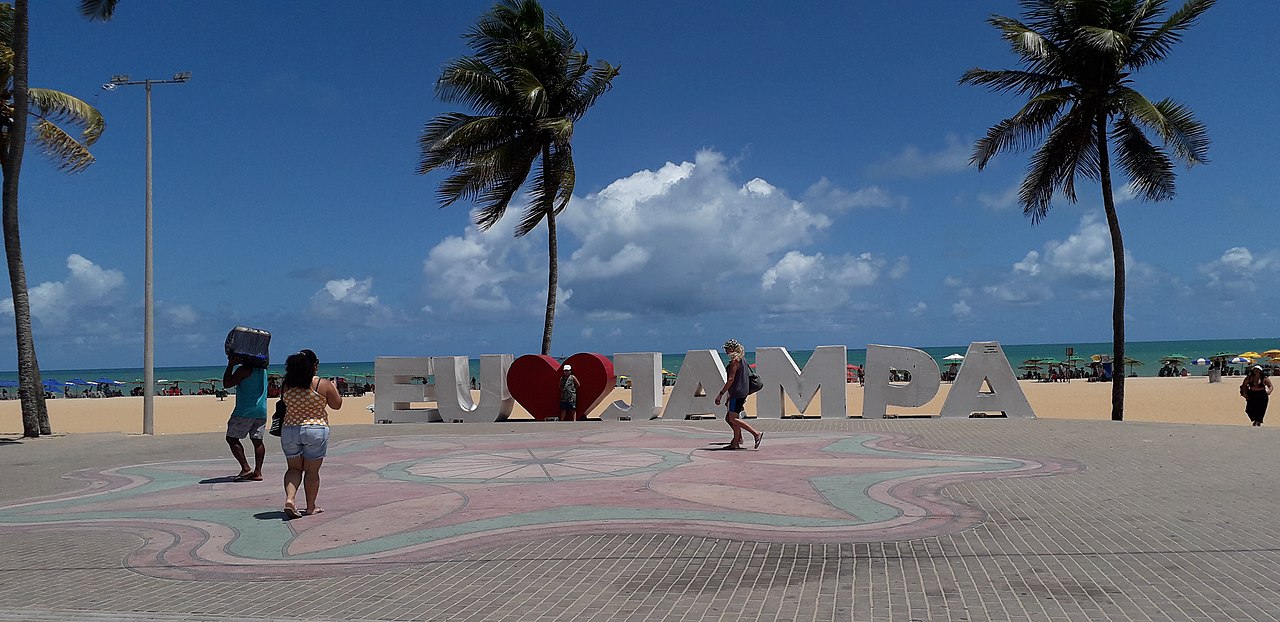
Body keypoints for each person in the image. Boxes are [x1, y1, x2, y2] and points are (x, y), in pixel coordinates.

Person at [279, 349, 342, 518]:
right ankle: (310, 507)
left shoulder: (287, 384)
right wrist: (334, 388)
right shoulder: (321, 383)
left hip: (290, 429)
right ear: (314, 365)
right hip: (315, 429)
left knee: (293, 468)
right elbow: (337, 405)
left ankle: (290, 499)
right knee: (312, 471)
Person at [223, 353, 268, 481]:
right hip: (261, 409)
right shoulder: (262, 370)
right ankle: (258, 471)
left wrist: (230, 365)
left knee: (231, 438)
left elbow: (227, 383)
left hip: (245, 410)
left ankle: (245, 468)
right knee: (257, 440)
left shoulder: (244, 370)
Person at [714, 338, 763, 450]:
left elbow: (731, 380)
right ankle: (736, 441)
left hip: (737, 393)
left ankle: (756, 434)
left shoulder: (735, 362)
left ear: (731, 349)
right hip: (741, 393)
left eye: (727, 348)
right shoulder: (742, 360)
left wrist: (721, 394)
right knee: (729, 418)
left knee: (733, 418)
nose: (725, 350)